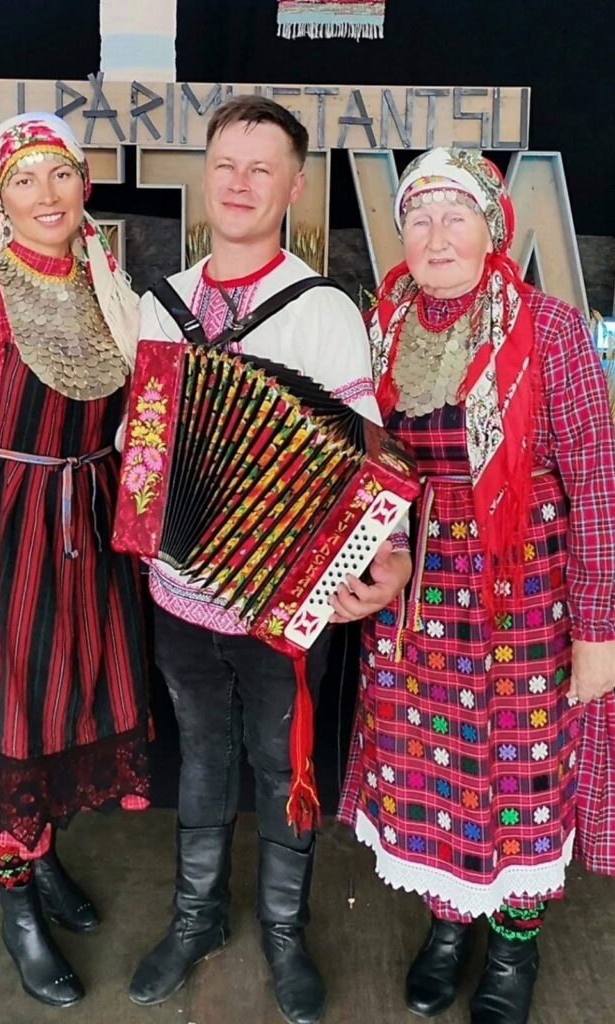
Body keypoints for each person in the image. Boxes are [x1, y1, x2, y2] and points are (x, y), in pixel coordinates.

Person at [125, 95, 412, 1024]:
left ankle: (284, 930)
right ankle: (197, 916)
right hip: (180, 588)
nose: (241, 184)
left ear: (294, 187)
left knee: (279, 756)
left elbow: (373, 456)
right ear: (204, 178)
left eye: (263, 168)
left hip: (293, 597)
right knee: (201, 753)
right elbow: (147, 445)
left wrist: (390, 556)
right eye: (225, 165)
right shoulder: (158, 304)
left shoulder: (326, 309)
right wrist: (141, 527)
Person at [338, 147, 615, 1024]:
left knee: (522, 773)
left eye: (456, 215)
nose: (436, 235)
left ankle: (515, 945)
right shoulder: (378, 327)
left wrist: (600, 629)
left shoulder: (549, 328)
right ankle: (450, 922)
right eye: (419, 217)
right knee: (426, 765)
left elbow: (600, 484)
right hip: (415, 591)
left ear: (494, 228)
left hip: (523, 591)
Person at [0, 113, 149, 1008]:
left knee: (67, 710)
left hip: (90, 533)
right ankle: (17, 908)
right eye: (24, 179)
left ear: (84, 184)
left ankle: (41, 859)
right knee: (11, 721)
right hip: (6, 538)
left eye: (60, 174)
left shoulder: (111, 287)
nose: (46, 195)